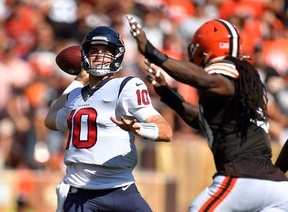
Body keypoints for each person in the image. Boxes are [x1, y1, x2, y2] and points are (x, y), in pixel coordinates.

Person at [126, 15, 288, 211]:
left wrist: (153, 53)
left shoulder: (226, 70)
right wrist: (166, 93)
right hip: (277, 188)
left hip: (241, 178)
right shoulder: (245, 84)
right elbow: (201, 120)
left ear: (204, 51)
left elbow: (207, 80)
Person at [44, 25, 172, 212]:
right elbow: (50, 120)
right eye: (94, 51)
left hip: (121, 190)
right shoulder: (75, 95)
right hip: (79, 193)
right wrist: (77, 81)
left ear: (117, 56)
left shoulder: (126, 86)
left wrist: (139, 128)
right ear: (84, 56)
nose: (99, 56)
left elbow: (165, 131)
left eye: (106, 51)